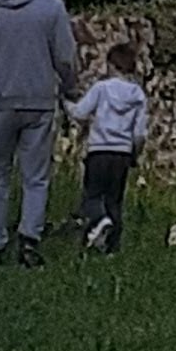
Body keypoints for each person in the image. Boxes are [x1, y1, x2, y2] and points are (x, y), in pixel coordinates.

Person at [0, 0, 78, 266]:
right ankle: (29, 237)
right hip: (39, 100)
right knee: (36, 176)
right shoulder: (52, 8)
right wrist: (69, 89)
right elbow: (65, 58)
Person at [66, 49, 150, 254]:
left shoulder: (101, 88)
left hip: (99, 150)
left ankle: (99, 221)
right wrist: (135, 155)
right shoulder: (138, 95)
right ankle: (112, 248)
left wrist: (65, 103)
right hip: (122, 153)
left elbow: (80, 113)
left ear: (111, 65)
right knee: (115, 200)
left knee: (92, 197)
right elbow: (140, 134)